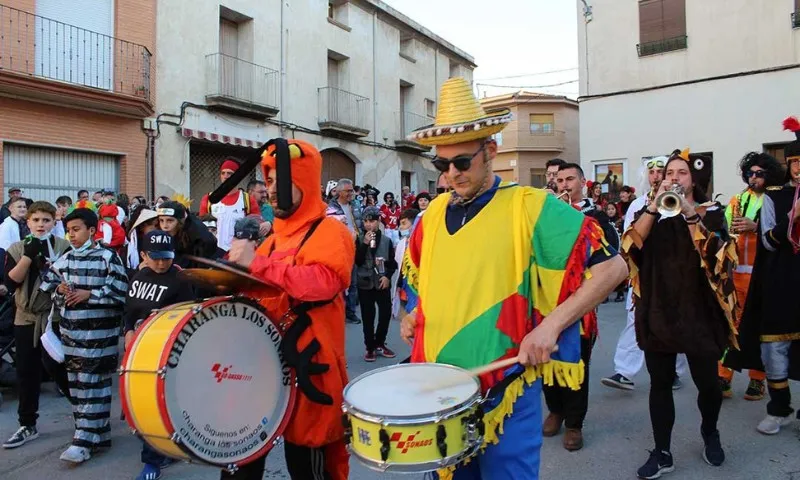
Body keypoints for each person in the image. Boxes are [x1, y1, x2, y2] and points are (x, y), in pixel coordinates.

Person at [400, 77, 628, 480]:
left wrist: (551, 327)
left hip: (504, 387)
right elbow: (421, 282)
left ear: (490, 150)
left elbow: (613, 269)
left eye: (461, 162)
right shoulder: (431, 216)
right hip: (438, 388)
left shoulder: (529, 206)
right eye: (441, 164)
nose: (450, 174)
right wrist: (413, 313)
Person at [227, 138, 354, 480]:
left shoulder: (331, 231)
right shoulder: (270, 240)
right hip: (262, 373)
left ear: (303, 183)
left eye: (277, 183)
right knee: (240, 459)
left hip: (311, 370)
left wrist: (257, 263)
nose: (269, 190)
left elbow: (323, 283)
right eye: (266, 182)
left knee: (309, 467)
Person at [621, 149, 737, 478]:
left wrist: (687, 211)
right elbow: (628, 250)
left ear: (693, 178)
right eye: (669, 172)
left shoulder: (711, 212)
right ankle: (662, 451)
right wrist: (654, 208)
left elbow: (717, 256)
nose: (674, 177)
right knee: (659, 384)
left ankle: (710, 432)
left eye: (681, 172)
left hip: (699, 312)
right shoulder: (648, 212)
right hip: (659, 309)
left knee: (709, 386)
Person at [725, 117, 800, 436]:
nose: (798, 169)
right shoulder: (776, 198)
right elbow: (768, 241)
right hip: (780, 280)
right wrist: (791, 221)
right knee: (774, 347)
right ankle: (779, 408)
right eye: (795, 163)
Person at [541, 162, 621, 451]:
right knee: (546, 359)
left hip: (581, 306)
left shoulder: (597, 217)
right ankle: (555, 410)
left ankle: (574, 423)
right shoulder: (547, 212)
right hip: (548, 301)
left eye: (570, 179)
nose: (564, 184)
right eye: (559, 179)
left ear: (583, 183)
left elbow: (612, 259)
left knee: (578, 365)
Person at [40, 208, 128, 464]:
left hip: (100, 336)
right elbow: (49, 287)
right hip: (71, 336)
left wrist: (91, 294)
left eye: (77, 229)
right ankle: (97, 435)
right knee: (79, 386)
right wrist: (61, 289)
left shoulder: (107, 257)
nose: (72, 235)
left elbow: (121, 290)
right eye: (69, 231)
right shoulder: (65, 259)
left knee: (95, 385)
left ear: (92, 230)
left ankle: (83, 438)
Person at [601, 156, 688, 392]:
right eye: (652, 172)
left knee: (674, 321)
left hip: (673, 274)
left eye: (662, 171)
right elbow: (630, 241)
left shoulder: (683, 202)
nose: (657, 176)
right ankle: (624, 371)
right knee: (635, 320)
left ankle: (675, 373)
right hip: (643, 274)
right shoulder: (638, 204)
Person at [123, 230, 193, 480]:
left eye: (166, 257)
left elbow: (188, 316)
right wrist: (128, 330)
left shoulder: (181, 279)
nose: (162, 263)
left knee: (159, 403)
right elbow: (129, 309)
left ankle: (153, 461)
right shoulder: (139, 276)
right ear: (143, 255)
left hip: (166, 350)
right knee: (141, 401)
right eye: (156, 258)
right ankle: (159, 453)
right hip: (139, 347)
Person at [2, 202, 72, 450]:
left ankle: (83, 416)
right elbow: (12, 281)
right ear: (28, 222)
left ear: (54, 222)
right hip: (26, 317)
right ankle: (27, 423)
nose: (41, 225)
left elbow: (69, 278)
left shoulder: (63, 246)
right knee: (26, 371)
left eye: (46, 220)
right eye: (36, 220)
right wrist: (29, 256)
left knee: (59, 367)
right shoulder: (17, 248)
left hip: (53, 318)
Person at [718, 152, 783, 401]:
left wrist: (755, 227)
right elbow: (724, 230)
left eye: (759, 174)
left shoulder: (775, 199)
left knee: (758, 328)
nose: (753, 178)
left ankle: (758, 380)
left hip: (762, 275)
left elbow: (781, 232)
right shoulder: (737, 200)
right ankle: (723, 375)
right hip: (736, 273)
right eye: (750, 173)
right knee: (730, 326)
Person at [356, 207, 397, 362]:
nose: (368, 225)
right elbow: (357, 261)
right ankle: (370, 347)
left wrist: (387, 277)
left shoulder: (387, 241)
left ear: (378, 222)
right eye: (366, 221)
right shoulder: (359, 239)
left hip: (381, 282)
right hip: (365, 282)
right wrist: (365, 244)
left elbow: (392, 264)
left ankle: (380, 342)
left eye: (372, 221)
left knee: (385, 314)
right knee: (368, 316)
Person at [199, 158, 260, 253]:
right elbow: (202, 227)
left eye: (230, 173)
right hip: (213, 252)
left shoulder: (247, 200)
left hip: (237, 252)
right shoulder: (208, 199)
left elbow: (256, 225)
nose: (225, 176)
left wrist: (268, 223)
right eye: (223, 173)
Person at [157, 200, 218, 269]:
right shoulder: (159, 234)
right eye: (161, 220)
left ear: (181, 221)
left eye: (170, 220)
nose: (165, 226)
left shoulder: (198, 238)